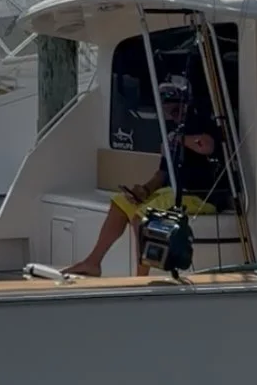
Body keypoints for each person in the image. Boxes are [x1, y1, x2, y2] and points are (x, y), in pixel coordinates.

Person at [67, 77, 229, 277]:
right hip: (172, 192)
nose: (168, 109)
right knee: (120, 203)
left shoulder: (201, 121)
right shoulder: (170, 129)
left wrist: (180, 139)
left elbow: (207, 145)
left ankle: (140, 277)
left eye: (172, 104)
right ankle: (92, 262)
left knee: (142, 217)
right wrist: (144, 190)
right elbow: (161, 173)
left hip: (200, 195)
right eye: (165, 104)